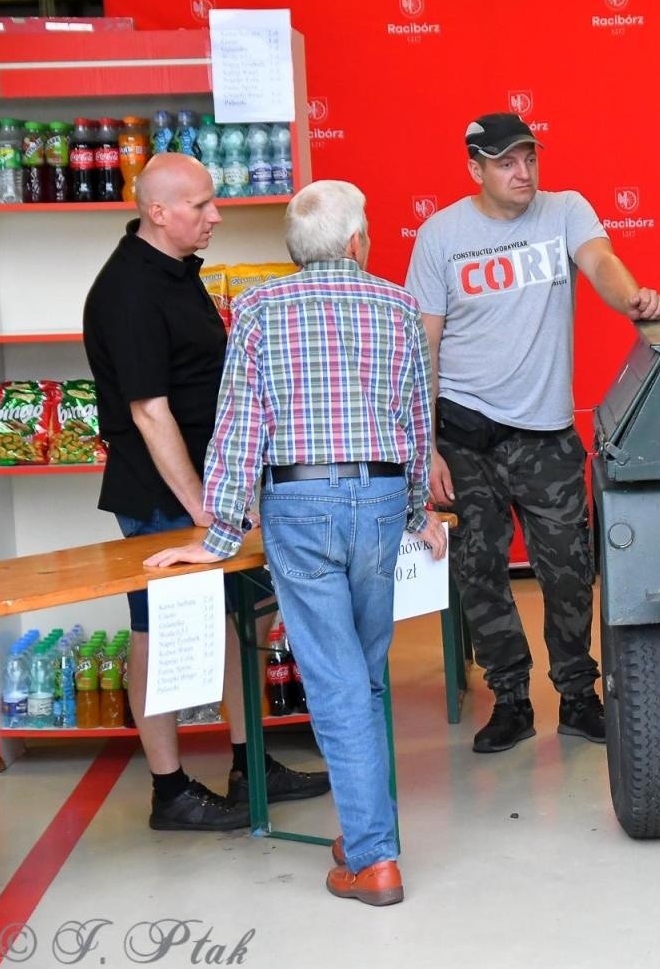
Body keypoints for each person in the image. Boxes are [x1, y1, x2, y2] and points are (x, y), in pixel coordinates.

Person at [146, 179, 445, 907]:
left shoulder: (253, 309)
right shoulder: (399, 306)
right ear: (355, 244)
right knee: (364, 676)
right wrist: (416, 515)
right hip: (376, 499)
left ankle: (374, 856)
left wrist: (215, 538)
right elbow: (414, 424)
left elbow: (238, 431)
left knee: (339, 682)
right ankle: (371, 836)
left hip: (300, 505)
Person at [83, 152, 329, 832]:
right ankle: (170, 792)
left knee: (242, 623)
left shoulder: (177, 274)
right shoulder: (127, 290)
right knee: (157, 636)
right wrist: (202, 507)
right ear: (157, 211)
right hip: (165, 499)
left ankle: (253, 762)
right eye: (200, 205)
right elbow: (148, 412)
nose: (215, 215)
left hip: (208, 489)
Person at [406, 113, 660, 754]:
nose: (522, 173)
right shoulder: (441, 235)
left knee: (570, 571)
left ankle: (578, 697)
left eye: (528, 159)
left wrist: (632, 297)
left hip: (546, 435)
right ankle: (512, 700)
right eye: (505, 163)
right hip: (465, 435)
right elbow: (424, 343)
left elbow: (601, 261)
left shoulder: (565, 210)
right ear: (475, 169)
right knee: (479, 571)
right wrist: (426, 445)